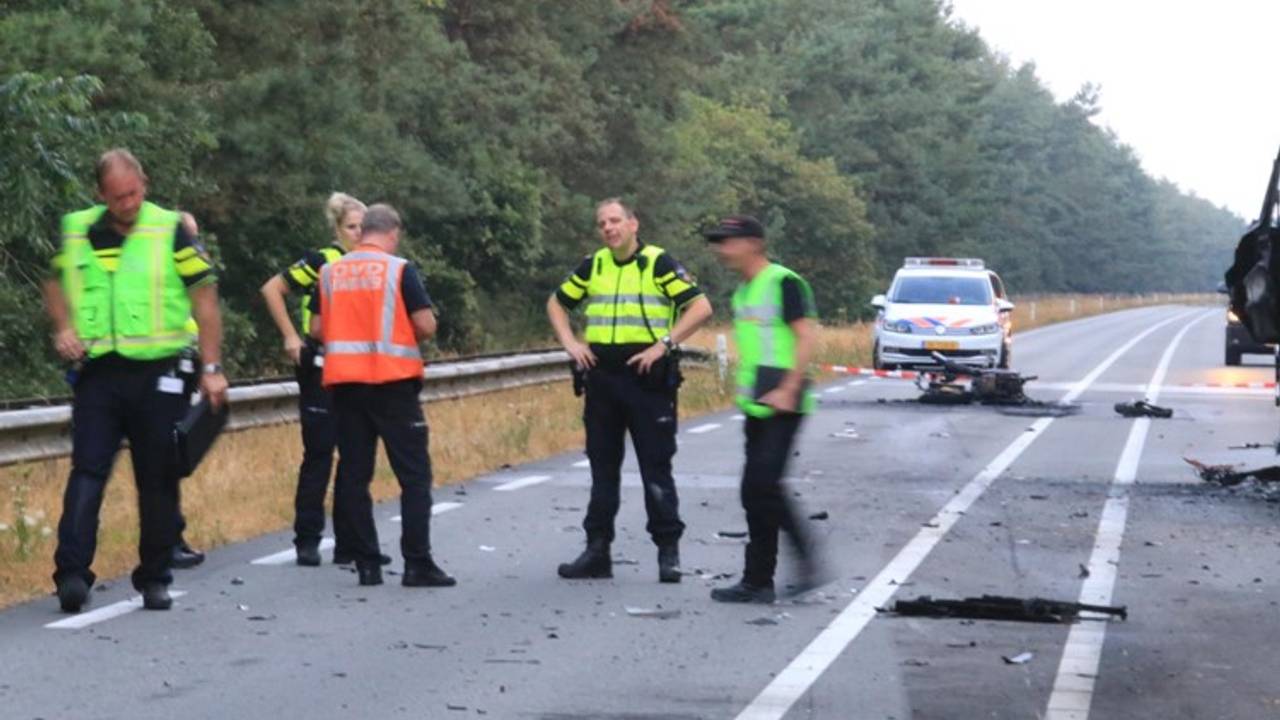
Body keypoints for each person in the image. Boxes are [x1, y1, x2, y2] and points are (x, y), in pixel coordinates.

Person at [42, 149, 228, 613]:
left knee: (157, 478)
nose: (129, 202)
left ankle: (155, 577)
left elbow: (204, 298)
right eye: (118, 196)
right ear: (100, 194)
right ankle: (71, 574)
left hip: (159, 371)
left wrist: (211, 368)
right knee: (87, 470)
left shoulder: (170, 228)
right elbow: (53, 283)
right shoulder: (77, 228)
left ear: (144, 182)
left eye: (135, 192)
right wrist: (63, 327)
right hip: (99, 372)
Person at [547, 198, 713, 583]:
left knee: (655, 467)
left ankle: (668, 553)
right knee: (602, 467)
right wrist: (571, 343)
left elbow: (701, 307)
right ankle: (596, 550)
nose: (609, 228)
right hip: (602, 377)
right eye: (602, 223)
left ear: (633, 224)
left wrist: (663, 346)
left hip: (647, 378)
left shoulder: (657, 262)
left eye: (615, 220)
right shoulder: (596, 264)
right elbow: (556, 303)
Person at [309, 203, 454, 588]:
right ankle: (417, 563)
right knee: (414, 476)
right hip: (392, 385)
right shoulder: (398, 269)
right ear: (393, 233)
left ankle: (367, 563)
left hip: (344, 386)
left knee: (355, 475)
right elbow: (425, 323)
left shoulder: (329, 272)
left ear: (362, 232)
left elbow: (316, 327)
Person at [261, 193, 388, 567]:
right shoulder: (321, 261)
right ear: (337, 229)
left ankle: (350, 542)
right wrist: (290, 337)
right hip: (319, 364)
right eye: (351, 227)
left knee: (355, 455)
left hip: (358, 367)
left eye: (364, 227)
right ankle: (308, 538)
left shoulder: (372, 263)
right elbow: (272, 289)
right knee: (319, 452)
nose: (358, 234)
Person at [703, 215, 824, 604]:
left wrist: (789, 388)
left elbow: (806, 335)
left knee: (762, 487)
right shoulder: (743, 292)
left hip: (785, 402)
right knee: (754, 492)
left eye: (729, 241)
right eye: (719, 242)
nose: (722, 249)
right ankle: (758, 581)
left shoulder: (783, 282)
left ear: (754, 242)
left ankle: (807, 564)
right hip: (757, 404)